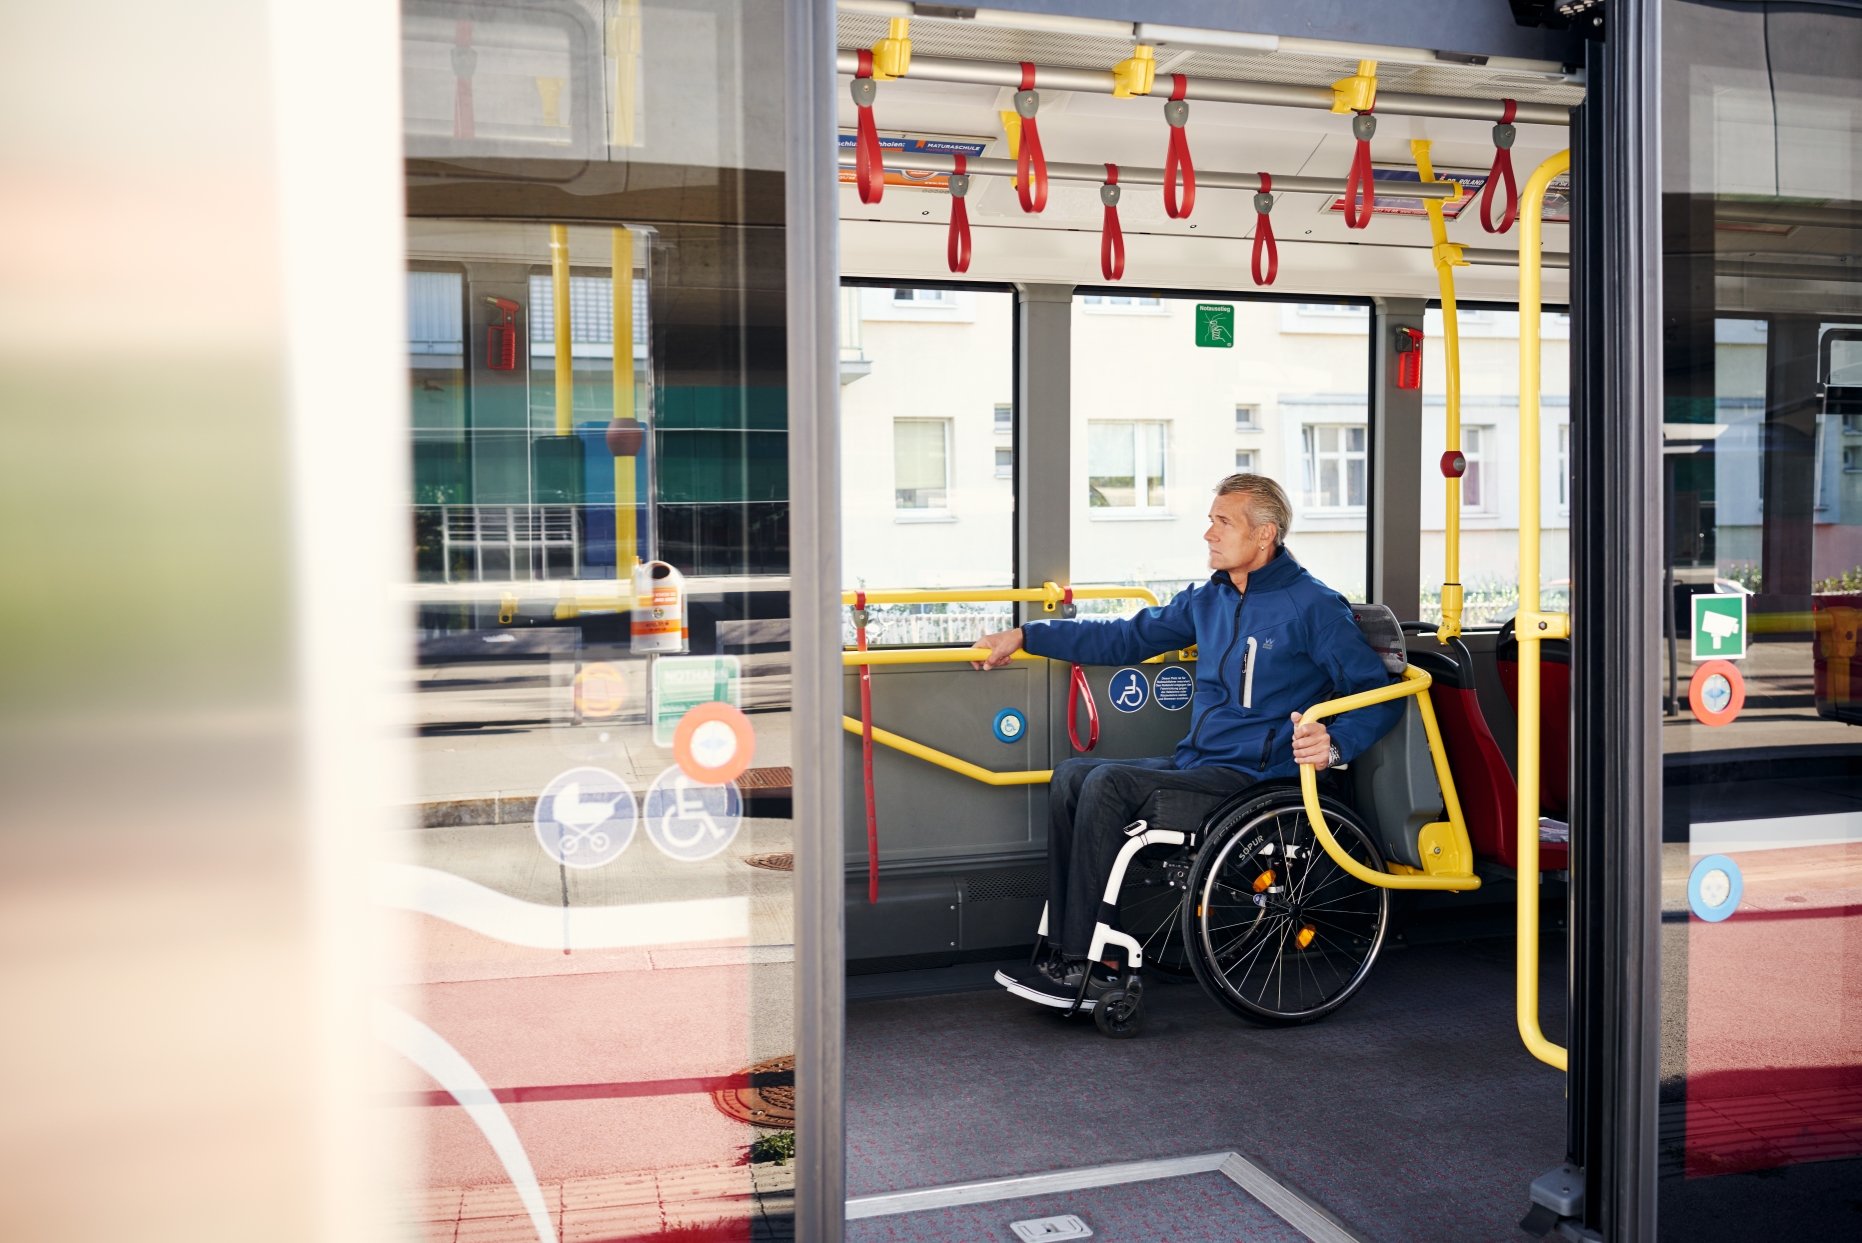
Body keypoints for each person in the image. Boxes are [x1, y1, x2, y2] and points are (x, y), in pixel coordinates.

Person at [970, 473, 1403, 1006]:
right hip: (1199, 764)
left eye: (1223, 522)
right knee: (1072, 775)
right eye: (1210, 521)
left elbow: (1377, 693)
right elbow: (1127, 636)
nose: (1209, 534)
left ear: (1264, 535)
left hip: (1255, 780)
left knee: (1106, 783)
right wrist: (1028, 635)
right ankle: (1064, 949)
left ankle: (1093, 963)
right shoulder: (1209, 599)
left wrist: (1334, 743)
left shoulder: (1312, 607)